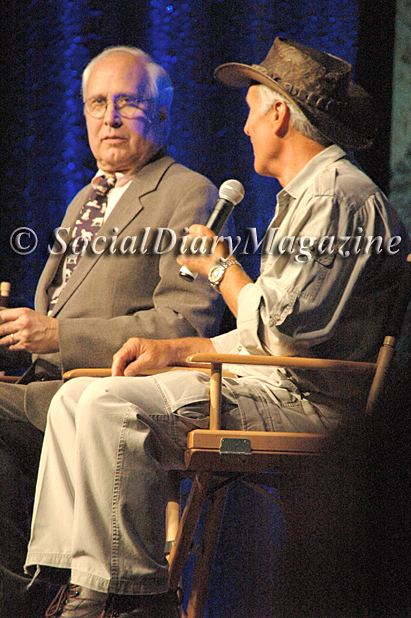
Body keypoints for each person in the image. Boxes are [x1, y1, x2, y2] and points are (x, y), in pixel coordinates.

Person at [24, 37, 410, 618]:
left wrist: (222, 267)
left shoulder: (336, 196)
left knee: (108, 405)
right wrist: (179, 349)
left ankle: (133, 597)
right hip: (275, 380)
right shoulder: (308, 196)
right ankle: (78, 582)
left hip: (309, 398)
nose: (246, 126)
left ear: (279, 113)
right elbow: (270, 330)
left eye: (252, 109)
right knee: (75, 396)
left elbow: (287, 333)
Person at [0, 46, 226, 617]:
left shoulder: (185, 192)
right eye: (98, 103)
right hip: (40, 387)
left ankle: (31, 596)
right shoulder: (86, 198)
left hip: (101, 392)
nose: (111, 117)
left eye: (128, 102)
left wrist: (59, 337)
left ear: (164, 116)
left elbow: (183, 322)